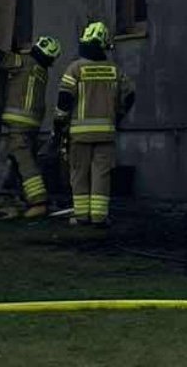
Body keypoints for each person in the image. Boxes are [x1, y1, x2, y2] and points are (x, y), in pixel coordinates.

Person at [56, 22, 134, 226]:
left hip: (79, 134)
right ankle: (99, 217)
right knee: (102, 174)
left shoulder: (75, 69)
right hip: (106, 133)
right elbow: (129, 95)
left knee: (79, 174)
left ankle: (81, 216)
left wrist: (59, 125)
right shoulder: (114, 70)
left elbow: (64, 100)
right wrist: (118, 116)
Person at [0, 36, 60, 218]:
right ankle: (17, 196)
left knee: (25, 161)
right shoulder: (41, 70)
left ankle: (38, 201)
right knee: (18, 160)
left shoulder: (23, 61)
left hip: (18, 122)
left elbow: (0, 59)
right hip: (33, 122)